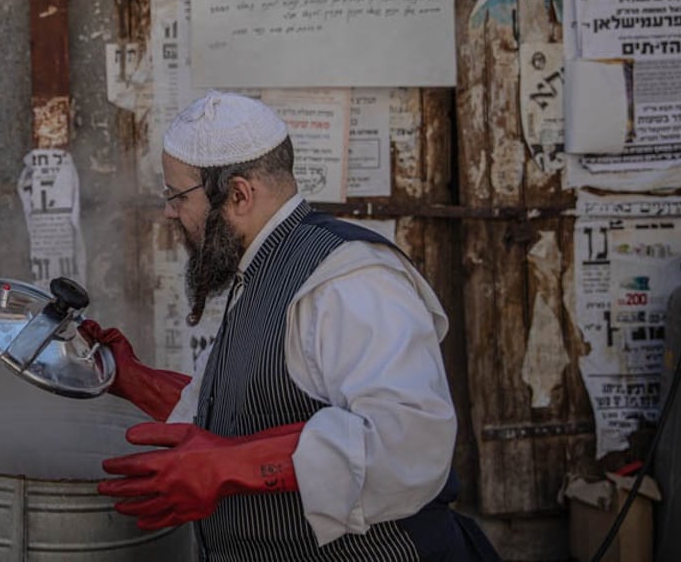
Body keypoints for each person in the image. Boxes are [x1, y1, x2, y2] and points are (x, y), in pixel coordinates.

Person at [79, 91, 500, 562]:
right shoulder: (260, 269)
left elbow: (405, 442)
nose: (170, 212)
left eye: (178, 197)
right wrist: (124, 375)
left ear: (239, 194)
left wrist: (225, 467)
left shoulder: (347, 280)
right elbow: (226, 412)